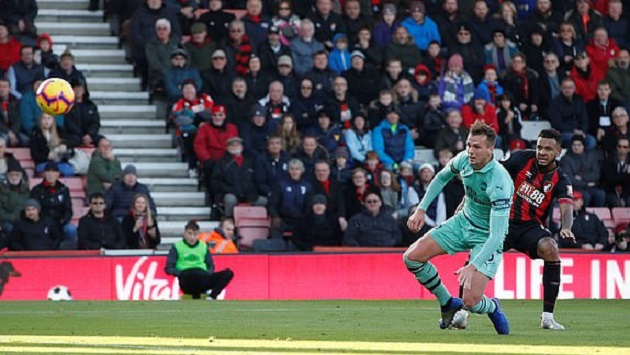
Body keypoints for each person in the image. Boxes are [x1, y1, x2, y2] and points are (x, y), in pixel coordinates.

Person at [405, 121, 512, 334]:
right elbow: (441, 178)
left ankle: (492, 306)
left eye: (477, 147)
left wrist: (472, 266)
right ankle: (447, 303)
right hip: (462, 223)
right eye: (469, 145)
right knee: (411, 258)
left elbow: (498, 236)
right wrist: (421, 209)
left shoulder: (499, 181)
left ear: (491, 150)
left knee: (471, 301)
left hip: (486, 236)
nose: (471, 151)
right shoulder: (463, 159)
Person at [496, 129, 575, 330]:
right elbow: (494, 174)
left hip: (529, 228)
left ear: (558, 151)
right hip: (503, 220)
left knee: (550, 248)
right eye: (539, 147)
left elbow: (567, 208)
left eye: (548, 149)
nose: (541, 152)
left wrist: (566, 228)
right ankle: (461, 311)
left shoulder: (561, 180)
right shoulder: (522, 158)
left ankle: (547, 317)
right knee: (478, 250)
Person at [165, 220, 234, 299]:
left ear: (198, 234)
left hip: (202, 277)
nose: (192, 237)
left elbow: (211, 265)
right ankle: (196, 296)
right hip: (186, 278)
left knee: (228, 273)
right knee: (194, 274)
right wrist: (180, 273)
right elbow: (169, 268)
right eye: (190, 234)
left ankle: (212, 297)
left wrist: (207, 273)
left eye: (195, 234)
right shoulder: (177, 247)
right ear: (184, 233)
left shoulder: (203, 246)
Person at [211, 137, 266, 217]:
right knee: (230, 200)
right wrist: (229, 189)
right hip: (230, 193)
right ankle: (228, 220)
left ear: (242, 147)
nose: (235, 147)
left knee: (264, 201)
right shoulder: (221, 162)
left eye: (237, 145)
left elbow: (257, 179)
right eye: (232, 145)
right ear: (227, 148)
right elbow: (215, 182)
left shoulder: (250, 162)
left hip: (250, 194)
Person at [560, 134, 606, 207]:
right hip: (575, 188)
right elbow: (569, 178)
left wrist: (582, 177)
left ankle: (596, 216)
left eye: (579, 145)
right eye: (574, 145)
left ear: (583, 146)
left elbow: (596, 174)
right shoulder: (566, 159)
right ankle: (582, 216)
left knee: (600, 194)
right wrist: (586, 184)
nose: (576, 147)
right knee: (585, 196)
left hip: (591, 187)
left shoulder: (591, 156)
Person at [0, 159, 29, 237]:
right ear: (7, 175)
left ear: (21, 175)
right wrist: (15, 218)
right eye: (11, 175)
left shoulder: (26, 190)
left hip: (24, 221)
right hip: (6, 222)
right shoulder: (1, 189)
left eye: (17, 175)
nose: (14, 177)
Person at [601, 137, 630, 207]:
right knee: (617, 202)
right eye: (619, 146)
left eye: (625, 147)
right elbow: (610, 179)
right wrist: (627, 174)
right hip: (611, 192)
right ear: (616, 147)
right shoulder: (608, 161)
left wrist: (620, 177)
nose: (622, 149)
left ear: (629, 149)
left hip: (628, 192)